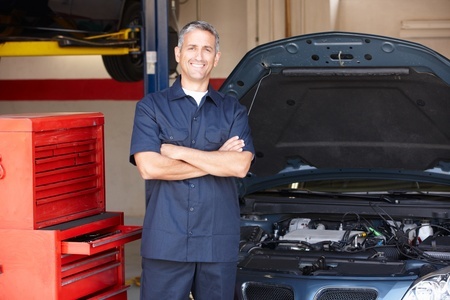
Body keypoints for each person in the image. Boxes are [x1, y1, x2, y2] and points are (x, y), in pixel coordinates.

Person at [129, 20, 255, 300]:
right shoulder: (150, 107)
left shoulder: (233, 111)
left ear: (216, 57)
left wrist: (178, 152)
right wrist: (216, 160)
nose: (199, 56)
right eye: (192, 48)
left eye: (207, 49)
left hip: (216, 243)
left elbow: (239, 166)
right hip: (165, 243)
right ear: (178, 53)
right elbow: (149, 168)